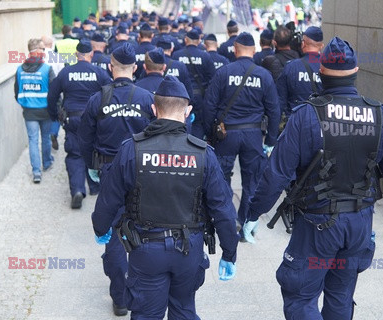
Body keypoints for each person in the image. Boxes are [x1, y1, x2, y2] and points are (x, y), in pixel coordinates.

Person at [245, 37, 383, 319]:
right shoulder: (380, 115)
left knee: (301, 296)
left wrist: (253, 213)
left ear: (320, 74)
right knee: (341, 296)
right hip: (359, 225)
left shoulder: (305, 116)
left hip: (316, 225)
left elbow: (276, 174)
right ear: (356, 73)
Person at [91, 75, 239, 319]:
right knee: (183, 309)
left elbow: (109, 198)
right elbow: (222, 209)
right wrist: (229, 252)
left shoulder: (132, 148)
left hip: (146, 248)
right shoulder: (203, 154)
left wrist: (100, 228)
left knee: (146, 314)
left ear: (153, 109)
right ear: (188, 111)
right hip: (188, 250)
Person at [78, 43, 155, 316]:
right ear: (135, 68)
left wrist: (92, 167)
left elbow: (84, 139)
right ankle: (146, 289)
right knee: (146, 228)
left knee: (112, 232)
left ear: (111, 67)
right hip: (143, 172)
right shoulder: (147, 98)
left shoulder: (97, 99)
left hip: (110, 170)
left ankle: (120, 296)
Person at [203, 32, 280, 236]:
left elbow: (209, 106)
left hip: (226, 134)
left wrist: (209, 133)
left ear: (235, 49)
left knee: (221, 178)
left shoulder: (223, 73)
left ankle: (225, 220)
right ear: (253, 52)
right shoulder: (264, 75)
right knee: (251, 181)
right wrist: (271, 139)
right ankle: (246, 222)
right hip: (253, 135)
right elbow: (274, 110)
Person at [47, 40, 112, 209]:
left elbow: (52, 95)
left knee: (75, 154)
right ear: (91, 54)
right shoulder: (99, 73)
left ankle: (77, 189)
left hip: (73, 119)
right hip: (94, 119)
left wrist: (54, 115)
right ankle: (95, 187)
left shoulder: (66, 72)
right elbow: (111, 94)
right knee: (95, 151)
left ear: (76, 54)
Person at [14, 38, 55, 183]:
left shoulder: (20, 69)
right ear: (37, 51)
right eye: (43, 49)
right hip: (45, 110)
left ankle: (36, 172)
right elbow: (54, 91)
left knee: (32, 140)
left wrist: (24, 104)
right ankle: (47, 162)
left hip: (29, 111)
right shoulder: (47, 69)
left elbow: (16, 91)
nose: (45, 52)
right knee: (45, 138)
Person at [172, 29, 215, 139]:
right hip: (200, 96)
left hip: (180, 95)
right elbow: (212, 78)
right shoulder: (205, 56)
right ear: (199, 40)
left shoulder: (177, 55)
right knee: (198, 124)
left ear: (186, 39)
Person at [276, 26, 324, 116]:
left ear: (303, 44)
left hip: (295, 121)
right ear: (321, 46)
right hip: (320, 122)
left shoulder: (291, 67)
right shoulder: (328, 68)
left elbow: (280, 101)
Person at [41, 35, 65, 151]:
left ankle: (46, 135)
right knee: (57, 112)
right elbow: (61, 74)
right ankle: (54, 132)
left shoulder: (39, 57)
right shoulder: (57, 57)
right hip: (55, 89)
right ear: (51, 44)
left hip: (40, 91)